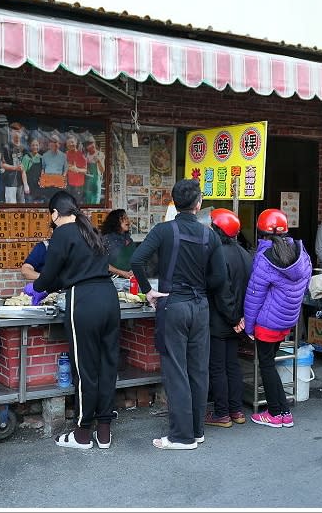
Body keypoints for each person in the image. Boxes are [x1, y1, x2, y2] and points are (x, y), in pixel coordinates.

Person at [130, 179, 227, 450]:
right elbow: (220, 277)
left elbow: (136, 260)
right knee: (198, 369)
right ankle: (196, 431)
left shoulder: (163, 230)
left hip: (173, 305)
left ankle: (181, 437)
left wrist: (149, 290)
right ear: (198, 204)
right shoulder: (210, 235)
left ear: (173, 203)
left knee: (176, 370)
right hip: (200, 307)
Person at [33, 190, 121, 449]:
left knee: (85, 368)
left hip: (83, 300)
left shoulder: (62, 232)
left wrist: (37, 287)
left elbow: (49, 275)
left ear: (55, 214)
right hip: (109, 297)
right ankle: (104, 432)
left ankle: (82, 433)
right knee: (108, 364)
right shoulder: (90, 230)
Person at [244, 208, 312, 428]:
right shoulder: (302, 254)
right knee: (270, 363)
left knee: (266, 366)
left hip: (267, 323)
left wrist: (249, 326)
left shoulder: (264, 258)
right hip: (287, 320)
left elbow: (255, 295)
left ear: (261, 233)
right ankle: (281, 411)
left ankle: (277, 413)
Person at [204, 208, 252, 428]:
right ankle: (237, 410)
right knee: (232, 365)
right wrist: (241, 318)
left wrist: (233, 318)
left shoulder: (217, 254)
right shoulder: (243, 253)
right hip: (238, 320)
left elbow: (222, 292)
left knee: (217, 367)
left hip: (222, 320)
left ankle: (222, 413)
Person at [101, 209, 136, 279]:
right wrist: (121, 273)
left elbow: (135, 260)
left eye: (127, 218)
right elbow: (101, 263)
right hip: (111, 280)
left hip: (129, 280)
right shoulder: (106, 239)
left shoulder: (129, 240)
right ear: (115, 221)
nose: (128, 221)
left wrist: (134, 270)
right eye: (123, 218)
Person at [1, 123, 29, 204]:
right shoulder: (7, 147)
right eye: (15, 131)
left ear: (22, 133)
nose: (17, 133)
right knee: (11, 206)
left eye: (19, 131)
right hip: (10, 182)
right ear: (11, 132)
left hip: (21, 182)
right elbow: (3, 164)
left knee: (22, 207)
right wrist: (15, 168)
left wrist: (26, 184)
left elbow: (25, 166)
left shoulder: (24, 148)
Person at [40, 131, 67, 198]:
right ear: (49, 144)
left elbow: (65, 169)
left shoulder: (64, 156)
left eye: (56, 142)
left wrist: (63, 179)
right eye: (52, 142)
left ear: (59, 144)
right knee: (48, 200)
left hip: (58, 183)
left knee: (58, 200)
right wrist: (42, 181)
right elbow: (43, 168)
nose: (54, 144)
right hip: (48, 183)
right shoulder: (45, 155)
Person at [65, 134, 87, 203]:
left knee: (76, 205)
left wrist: (77, 169)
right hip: (68, 185)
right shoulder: (65, 154)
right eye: (68, 143)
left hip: (78, 186)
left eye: (72, 142)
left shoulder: (81, 155)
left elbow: (85, 170)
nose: (70, 144)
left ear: (76, 143)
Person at [83, 134, 105, 205]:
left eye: (92, 143)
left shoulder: (100, 154)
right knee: (87, 202)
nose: (91, 146)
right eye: (88, 144)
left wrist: (98, 161)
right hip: (87, 183)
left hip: (96, 182)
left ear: (94, 143)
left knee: (95, 201)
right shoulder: (86, 155)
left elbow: (102, 170)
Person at [22, 138, 43, 203]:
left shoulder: (41, 158)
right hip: (29, 188)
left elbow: (43, 172)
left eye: (36, 145)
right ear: (30, 146)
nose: (35, 147)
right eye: (33, 145)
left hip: (39, 188)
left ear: (39, 146)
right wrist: (25, 185)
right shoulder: (26, 157)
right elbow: (23, 172)